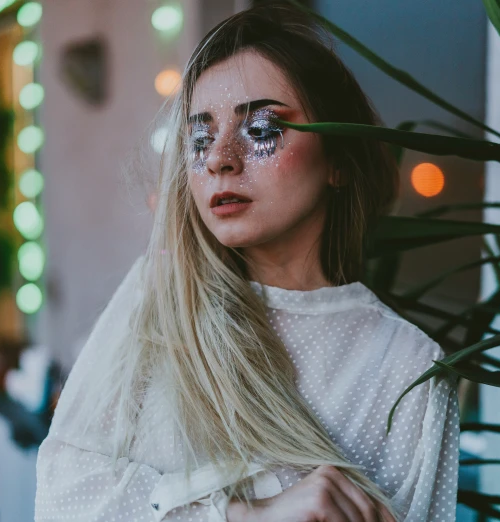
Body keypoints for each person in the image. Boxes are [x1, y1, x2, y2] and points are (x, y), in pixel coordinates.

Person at [34, 3, 460, 521]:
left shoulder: (406, 368)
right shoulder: (158, 299)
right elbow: (62, 495)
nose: (218, 158)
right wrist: (243, 516)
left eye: (261, 129)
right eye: (200, 137)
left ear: (340, 163)